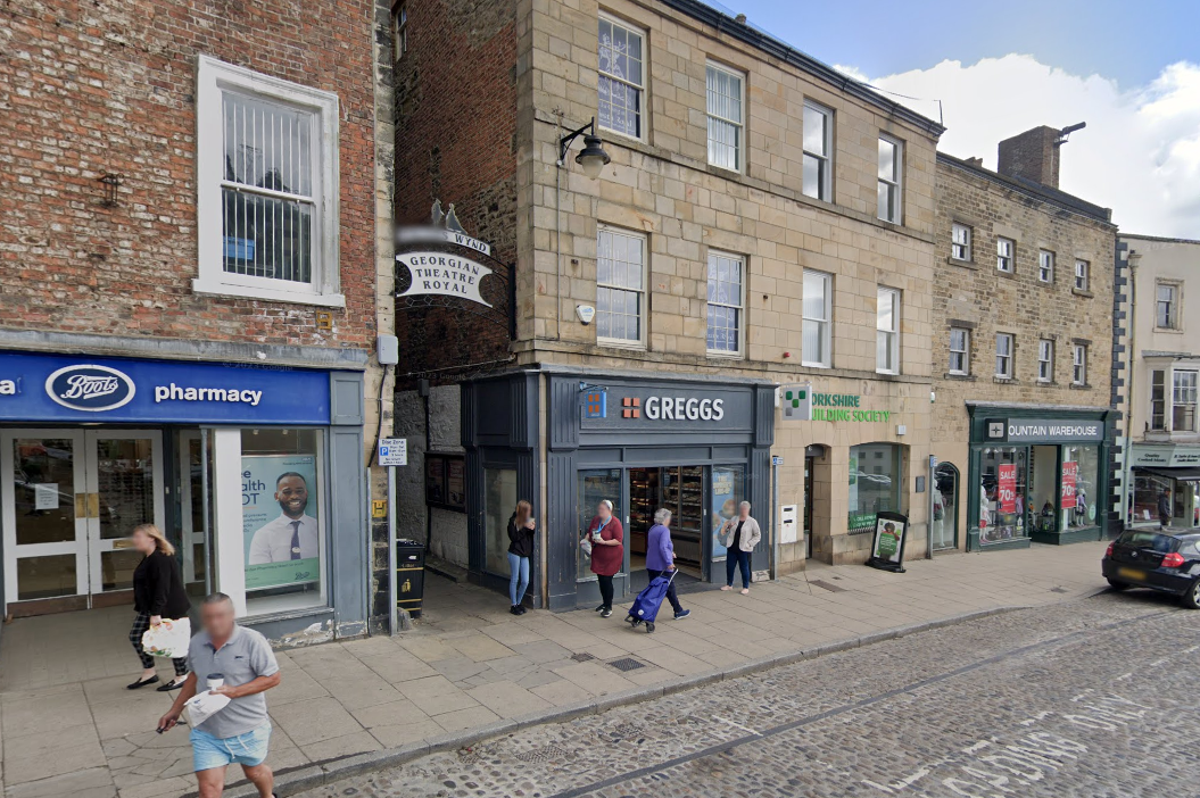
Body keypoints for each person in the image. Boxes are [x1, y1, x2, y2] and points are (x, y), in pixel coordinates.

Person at [157, 593, 282, 798]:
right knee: (209, 789)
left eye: (220, 615)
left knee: (255, 772)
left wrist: (235, 691)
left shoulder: (252, 641)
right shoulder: (197, 642)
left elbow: (273, 678)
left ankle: (268, 796)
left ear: (232, 615)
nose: (214, 622)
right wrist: (175, 710)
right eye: (208, 617)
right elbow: (194, 676)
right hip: (209, 731)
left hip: (248, 728)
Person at [127, 523, 192, 691]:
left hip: (167, 608)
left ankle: (182, 676)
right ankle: (149, 673)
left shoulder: (160, 558)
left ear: (151, 538)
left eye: (138, 536)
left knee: (173, 640)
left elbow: (163, 587)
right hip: (150, 608)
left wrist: (156, 613)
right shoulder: (149, 557)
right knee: (136, 636)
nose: (135, 540)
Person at [248, 472, 319, 564]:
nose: (294, 496)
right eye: (287, 492)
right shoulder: (263, 535)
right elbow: (260, 574)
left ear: (306, 494)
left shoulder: (320, 529)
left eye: (299, 491)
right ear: (277, 496)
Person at [645, 508, 690, 620]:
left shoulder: (653, 528)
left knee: (653, 589)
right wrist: (669, 562)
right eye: (669, 518)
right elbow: (663, 547)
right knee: (670, 588)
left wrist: (671, 552)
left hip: (651, 564)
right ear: (666, 519)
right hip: (662, 566)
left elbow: (656, 546)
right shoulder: (664, 530)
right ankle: (678, 610)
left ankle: (645, 610)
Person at [584, 499, 623, 617]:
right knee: (601, 580)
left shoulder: (615, 523)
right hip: (598, 555)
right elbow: (590, 532)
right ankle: (604, 602)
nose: (599, 511)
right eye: (599, 508)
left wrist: (604, 542)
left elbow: (618, 540)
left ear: (609, 510)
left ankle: (608, 606)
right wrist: (585, 540)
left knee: (607, 581)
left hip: (611, 556)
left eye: (602, 509)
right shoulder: (596, 519)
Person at [718, 501, 761, 595]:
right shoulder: (734, 518)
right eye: (742, 509)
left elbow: (757, 535)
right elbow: (725, 530)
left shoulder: (752, 521)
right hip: (732, 547)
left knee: (744, 568)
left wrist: (750, 544)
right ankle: (729, 584)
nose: (743, 510)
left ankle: (745, 586)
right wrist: (729, 526)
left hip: (744, 549)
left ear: (748, 510)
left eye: (745, 509)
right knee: (729, 567)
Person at [507, 500, 535, 615]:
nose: (529, 513)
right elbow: (514, 537)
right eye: (528, 511)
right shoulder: (512, 522)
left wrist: (531, 529)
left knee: (525, 580)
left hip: (525, 553)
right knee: (515, 578)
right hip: (514, 552)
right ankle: (513, 604)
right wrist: (525, 528)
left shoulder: (528, 521)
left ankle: (519, 602)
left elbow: (529, 538)